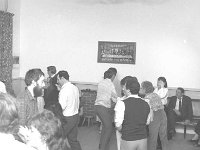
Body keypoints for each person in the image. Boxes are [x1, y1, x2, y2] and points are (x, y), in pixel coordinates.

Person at [115, 77, 150, 150]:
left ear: (128, 90)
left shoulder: (121, 103)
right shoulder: (146, 103)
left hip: (128, 139)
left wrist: (124, 130)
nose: (123, 89)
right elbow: (147, 122)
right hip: (143, 139)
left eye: (124, 87)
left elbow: (118, 125)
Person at [57, 70, 82, 150]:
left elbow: (61, 107)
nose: (57, 82)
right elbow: (78, 103)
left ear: (62, 78)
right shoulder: (75, 87)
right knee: (73, 140)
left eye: (58, 79)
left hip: (67, 118)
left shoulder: (64, 90)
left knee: (58, 139)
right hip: (75, 116)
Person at [140, 81, 168, 150]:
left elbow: (146, 112)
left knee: (153, 137)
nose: (140, 89)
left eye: (141, 88)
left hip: (155, 116)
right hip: (163, 114)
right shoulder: (155, 94)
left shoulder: (146, 99)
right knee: (163, 136)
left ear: (145, 89)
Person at [95, 69, 117, 150]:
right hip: (103, 108)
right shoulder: (110, 83)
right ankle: (103, 148)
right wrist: (119, 100)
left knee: (105, 127)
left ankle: (101, 146)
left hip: (97, 107)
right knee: (109, 128)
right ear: (113, 76)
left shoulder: (101, 82)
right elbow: (114, 98)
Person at [114, 76, 138, 150]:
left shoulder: (123, 101)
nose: (122, 89)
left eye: (123, 86)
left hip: (126, 128)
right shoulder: (123, 99)